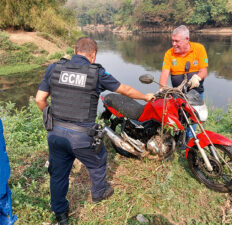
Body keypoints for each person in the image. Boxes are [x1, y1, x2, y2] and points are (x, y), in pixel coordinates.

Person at [35, 37, 155, 225]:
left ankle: (61, 214)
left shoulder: (54, 68)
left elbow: (40, 99)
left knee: (58, 174)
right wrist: (146, 96)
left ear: (75, 51)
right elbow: (126, 90)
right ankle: (99, 192)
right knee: (98, 162)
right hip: (82, 136)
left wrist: (51, 118)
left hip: (56, 134)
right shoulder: (96, 72)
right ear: (93, 55)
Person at [159, 25, 208, 142]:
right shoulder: (169, 54)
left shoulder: (199, 49)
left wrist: (197, 77)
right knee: (177, 118)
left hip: (195, 93)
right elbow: (164, 73)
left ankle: (191, 140)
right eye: (172, 41)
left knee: (194, 118)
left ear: (187, 40)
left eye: (177, 41)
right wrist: (162, 88)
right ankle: (175, 140)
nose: (174, 44)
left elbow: (204, 70)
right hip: (178, 94)